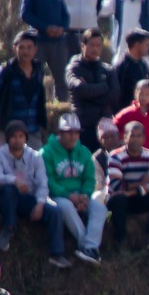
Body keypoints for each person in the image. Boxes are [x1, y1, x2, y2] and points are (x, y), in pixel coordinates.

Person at [0, 119, 69, 265]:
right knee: (8, 189)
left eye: (21, 136)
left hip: (27, 200)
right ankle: (8, 228)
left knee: (55, 212)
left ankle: (57, 254)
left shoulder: (35, 156)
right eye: (14, 136)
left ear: (26, 138)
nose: (17, 140)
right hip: (5, 199)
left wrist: (39, 204)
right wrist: (14, 181)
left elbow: (42, 183)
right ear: (8, 138)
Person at [42, 113, 106, 264]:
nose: (72, 136)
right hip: (57, 196)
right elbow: (48, 180)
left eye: (76, 132)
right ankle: (86, 245)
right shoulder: (46, 152)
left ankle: (90, 247)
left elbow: (89, 179)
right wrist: (68, 195)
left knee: (100, 209)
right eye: (69, 132)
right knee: (65, 207)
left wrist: (85, 195)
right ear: (60, 133)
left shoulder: (84, 152)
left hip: (80, 194)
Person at [104, 118, 149, 251]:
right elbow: (116, 185)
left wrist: (132, 190)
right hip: (120, 200)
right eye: (132, 136)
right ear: (125, 137)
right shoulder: (115, 156)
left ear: (144, 138)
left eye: (139, 136)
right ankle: (120, 241)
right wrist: (140, 183)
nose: (135, 139)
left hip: (138, 196)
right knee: (118, 199)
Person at [19, 0, 72, 99]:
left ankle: (61, 104)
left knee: (61, 77)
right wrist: (45, 28)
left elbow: (66, 16)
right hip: (39, 41)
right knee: (36, 75)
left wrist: (62, 28)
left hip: (58, 42)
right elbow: (25, 14)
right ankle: (35, 101)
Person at [0, 29, 50, 147]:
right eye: (21, 47)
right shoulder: (5, 71)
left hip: (33, 130)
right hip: (10, 133)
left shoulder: (39, 70)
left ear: (35, 49)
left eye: (29, 47)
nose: (25, 51)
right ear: (15, 49)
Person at [66, 27, 121, 137]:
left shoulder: (108, 70)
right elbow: (79, 88)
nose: (95, 48)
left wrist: (89, 95)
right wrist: (104, 87)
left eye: (98, 45)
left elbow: (115, 94)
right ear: (83, 46)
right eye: (91, 45)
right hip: (82, 124)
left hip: (103, 126)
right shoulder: (74, 68)